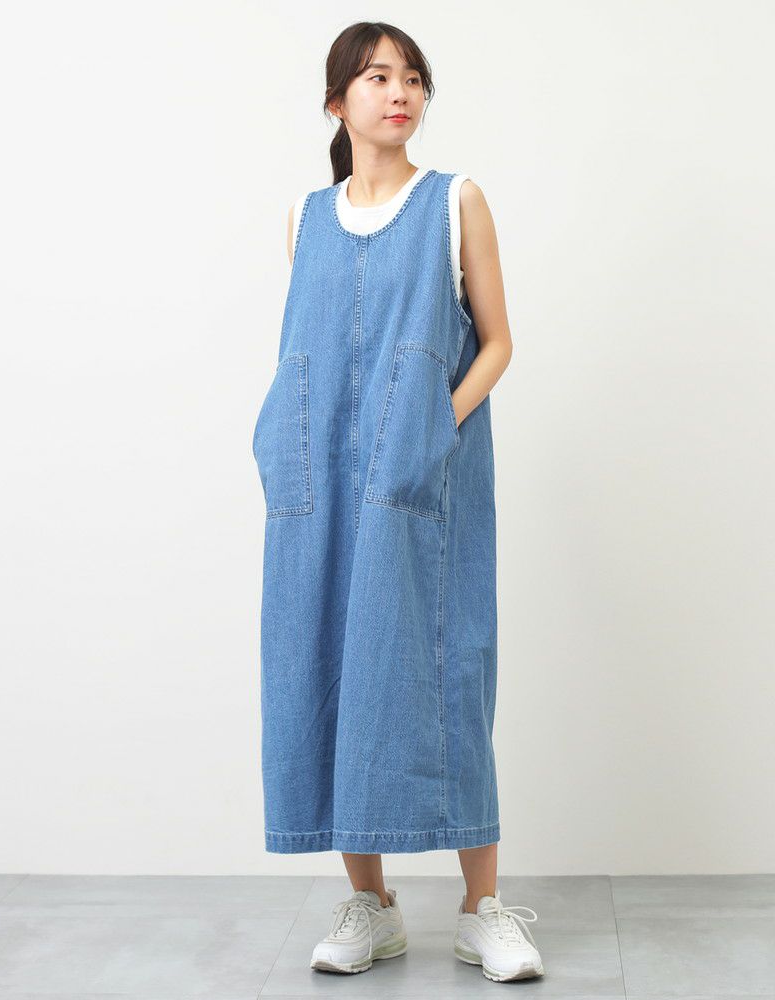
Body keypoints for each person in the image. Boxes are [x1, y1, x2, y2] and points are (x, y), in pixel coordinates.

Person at [252, 21, 545, 983]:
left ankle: (481, 908)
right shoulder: (304, 218)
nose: (399, 92)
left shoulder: (456, 201)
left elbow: (497, 343)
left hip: (425, 483)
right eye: (377, 77)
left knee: (446, 667)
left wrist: (432, 426)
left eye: (413, 77)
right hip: (319, 489)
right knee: (331, 665)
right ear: (337, 101)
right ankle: (371, 906)